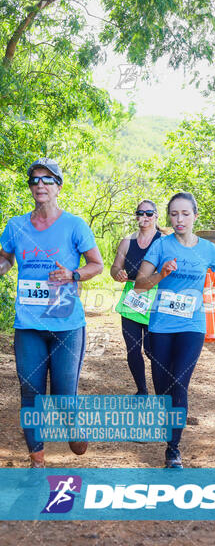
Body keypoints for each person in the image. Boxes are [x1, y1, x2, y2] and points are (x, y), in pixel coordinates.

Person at [0, 158, 103, 467]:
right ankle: (37, 459)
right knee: (29, 389)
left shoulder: (74, 224)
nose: (40, 185)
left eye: (47, 180)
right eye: (34, 180)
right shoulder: (16, 225)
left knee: (62, 395)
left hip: (66, 324)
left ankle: (74, 424)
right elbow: (5, 259)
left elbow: (96, 264)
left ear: (58, 186)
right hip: (28, 323)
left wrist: (72, 274)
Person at [135, 192, 215, 468]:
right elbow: (141, 284)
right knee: (163, 388)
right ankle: (169, 424)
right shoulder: (160, 246)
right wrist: (161, 274)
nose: (179, 219)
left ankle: (173, 449)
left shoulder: (208, 249)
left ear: (195, 216)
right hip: (161, 327)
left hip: (192, 326)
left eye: (185, 214)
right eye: (174, 214)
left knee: (179, 382)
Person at [111, 200, 162, 394]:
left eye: (149, 213)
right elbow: (114, 267)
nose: (145, 217)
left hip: (155, 299)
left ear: (156, 216)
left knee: (152, 350)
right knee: (133, 349)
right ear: (136, 216)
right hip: (132, 298)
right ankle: (142, 390)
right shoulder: (127, 242)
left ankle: (164, 388)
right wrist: (117, 273)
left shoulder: (164, 240)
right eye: (141, 213)